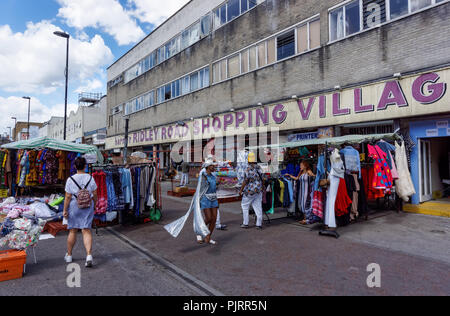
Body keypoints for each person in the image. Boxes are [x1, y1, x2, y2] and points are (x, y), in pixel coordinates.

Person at [63, 157, 98, 267]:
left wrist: (65, 210)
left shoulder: (70, 179)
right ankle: (88, 255)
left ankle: (69, 255)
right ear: (85, 166)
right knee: (86, 230)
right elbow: (95, 193)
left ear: (74, 167)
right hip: (88, 205)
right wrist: (95, 204)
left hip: (74, 206)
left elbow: (68, 196)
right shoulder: (90, 178)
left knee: (72, 231)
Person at [239, 152, 264, 230]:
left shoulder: (248, 169)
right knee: (258, 206)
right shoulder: (259, 167)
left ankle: (245, 223)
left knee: (244, 206)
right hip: (258, 190)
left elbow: (245, 181)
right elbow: (263, 179)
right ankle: (259, 224)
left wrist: (241, 190)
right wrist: (262, 186)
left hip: (250, 191)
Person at [286, 161, 317, 225]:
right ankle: (305, 218)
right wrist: (289, 175)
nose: (300, 167)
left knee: (305, 204)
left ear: (305, 166)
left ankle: (306, 219)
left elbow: (314, 176)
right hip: (301, 191)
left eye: (301, 165)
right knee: (302, 204)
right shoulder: (301, 172)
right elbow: (296, 178)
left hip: (307, 190)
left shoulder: (308, 171)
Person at [198, 160, 219, 244]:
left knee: (214, 219)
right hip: (205, 198)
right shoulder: (203, 176)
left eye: (213, 166)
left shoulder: (213, 176)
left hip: (214, 198)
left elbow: (214, 187)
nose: (213, 167)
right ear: (207, 167)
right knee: (209, 218)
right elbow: (200, 189)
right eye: (211, 166)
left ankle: (208, 236)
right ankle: (199, 231)